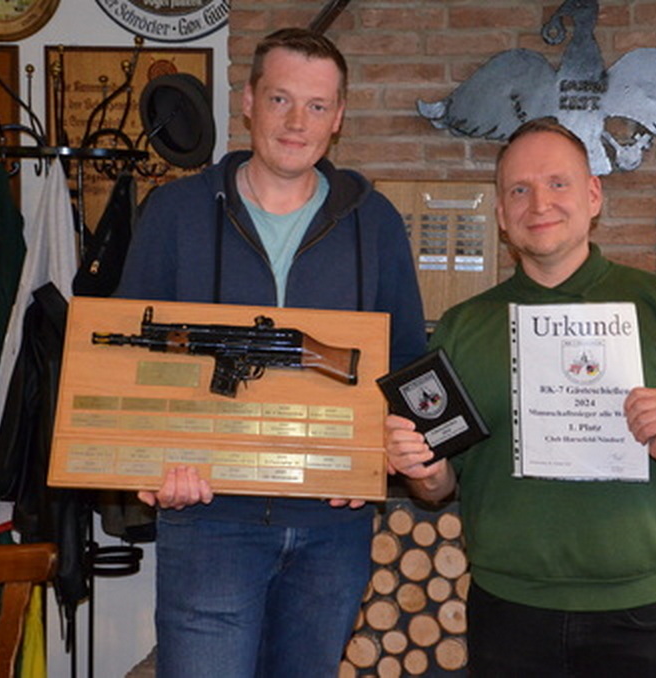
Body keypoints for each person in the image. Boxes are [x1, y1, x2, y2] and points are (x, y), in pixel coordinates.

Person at [385, 117, 656, 677]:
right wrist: (422, 467)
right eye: (519, 189)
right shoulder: (463, 328)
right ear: (501, 214)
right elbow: (439, 485)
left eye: (557, 183)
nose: (539, 203)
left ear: (593, 196)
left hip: (635, 611)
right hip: (507, 609)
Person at [115, 28, 426, 677]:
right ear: (249, 101)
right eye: (281, 99)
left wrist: (370, 460)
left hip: (333, 528)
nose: (296, 122)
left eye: (317, 105)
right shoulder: (175, 211)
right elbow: (127, 361)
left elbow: (404, 363)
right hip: (207, 517)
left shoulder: (375, 222)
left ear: (338, 118)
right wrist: (147, 462)